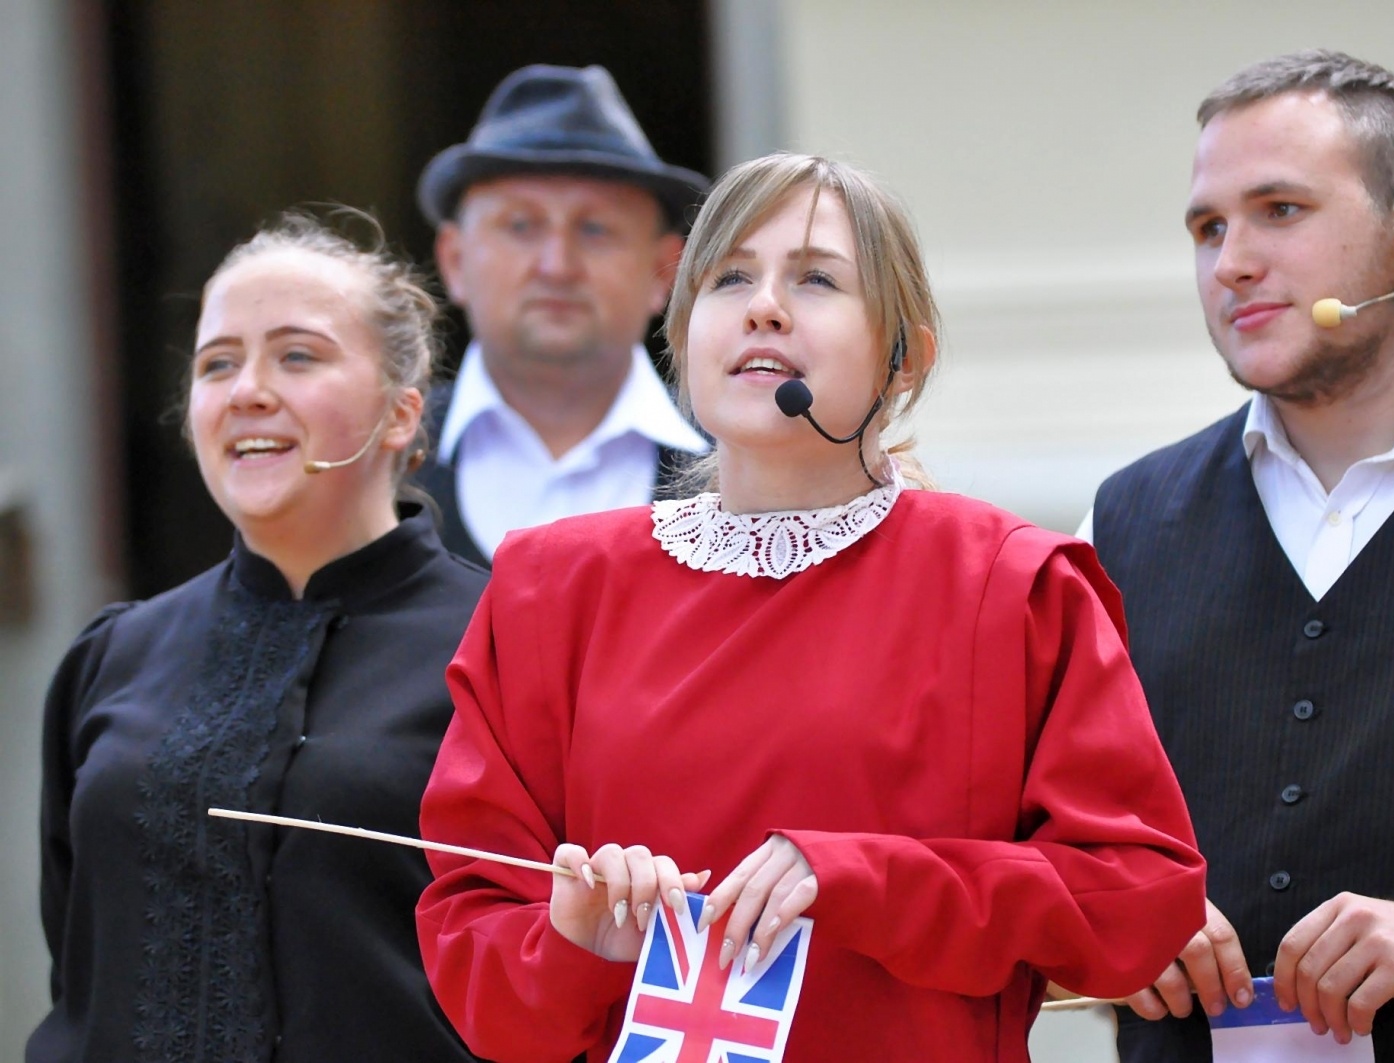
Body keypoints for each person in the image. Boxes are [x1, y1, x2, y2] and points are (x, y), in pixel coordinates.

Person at [415, 152, 1206, 1063]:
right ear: (683, 334)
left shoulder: (1011, 583)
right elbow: (472, 956)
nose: (763, 306)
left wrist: (866, 878)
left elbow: (1136, 899)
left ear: (906, 358)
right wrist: (572, 941)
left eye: (816, 279)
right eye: (729, 277)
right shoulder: (549, 587)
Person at [1084, 51, 1394, 1062]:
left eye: (1280, 210)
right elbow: (1043, 845)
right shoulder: (1126, 517)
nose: (1231, 262)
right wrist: (1108, 909)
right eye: (1207, 228)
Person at [29, 213, 489, 1062]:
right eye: (217, 363)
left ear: (400, 413)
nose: (247, 390)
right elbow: (77, 968)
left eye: (298, 356)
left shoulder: (502, 650)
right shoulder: (110, 658)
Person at [412, 64, 711, 567]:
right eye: (520, 225)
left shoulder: (745, 469)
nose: (557, 266)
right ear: (455, 261)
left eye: (595, 229)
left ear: (664, 271)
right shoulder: (375, 463)